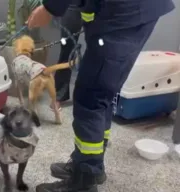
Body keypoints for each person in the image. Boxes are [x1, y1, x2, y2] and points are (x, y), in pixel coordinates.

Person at [27, 0, 175, 192]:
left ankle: (84, 180)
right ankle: (92, 166)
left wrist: (50, 8)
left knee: (91, 97)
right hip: (129, 12)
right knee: (102, 92)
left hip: (123, 13)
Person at [51, 5, 82, 111]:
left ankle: (91, 98)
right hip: (73, 5)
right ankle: (58, 96)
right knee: (67, 51)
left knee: (98, 51)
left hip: (100, 6)